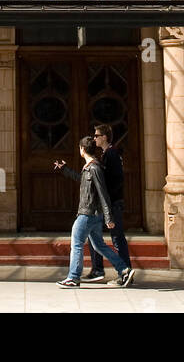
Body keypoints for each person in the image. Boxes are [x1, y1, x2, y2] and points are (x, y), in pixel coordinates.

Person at [53, 136, 135, 288]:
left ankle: (73, 277)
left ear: (82, 150)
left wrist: (109, 217)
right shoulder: (90, 167)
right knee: (99, 246)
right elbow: (82, 180)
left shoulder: (95, 168)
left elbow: (103, 193)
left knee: (76, 244)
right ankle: (123, 269)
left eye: (80, 148)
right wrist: (65, 170)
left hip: (88, 213)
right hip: (93, 214)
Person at [84, 123, 131, 283]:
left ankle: (125, 272)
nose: (94, 138)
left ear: (104, 137)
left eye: (96, 135)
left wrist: (106, 199)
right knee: (95, 235)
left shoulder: (111, 154)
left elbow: (116, 179)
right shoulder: (107, 154)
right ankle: (99, 269)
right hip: (108, 203)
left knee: (116, 237)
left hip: (112, 203)